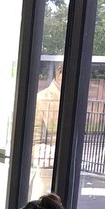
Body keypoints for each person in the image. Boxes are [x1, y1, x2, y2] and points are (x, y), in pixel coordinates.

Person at [31, 63, 63, 199]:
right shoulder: (42, 98)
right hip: (47, 158)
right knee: (41, 197)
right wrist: (37, 152)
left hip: (58, 156)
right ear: (60, 73)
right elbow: (35, 133)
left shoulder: (69, 97)